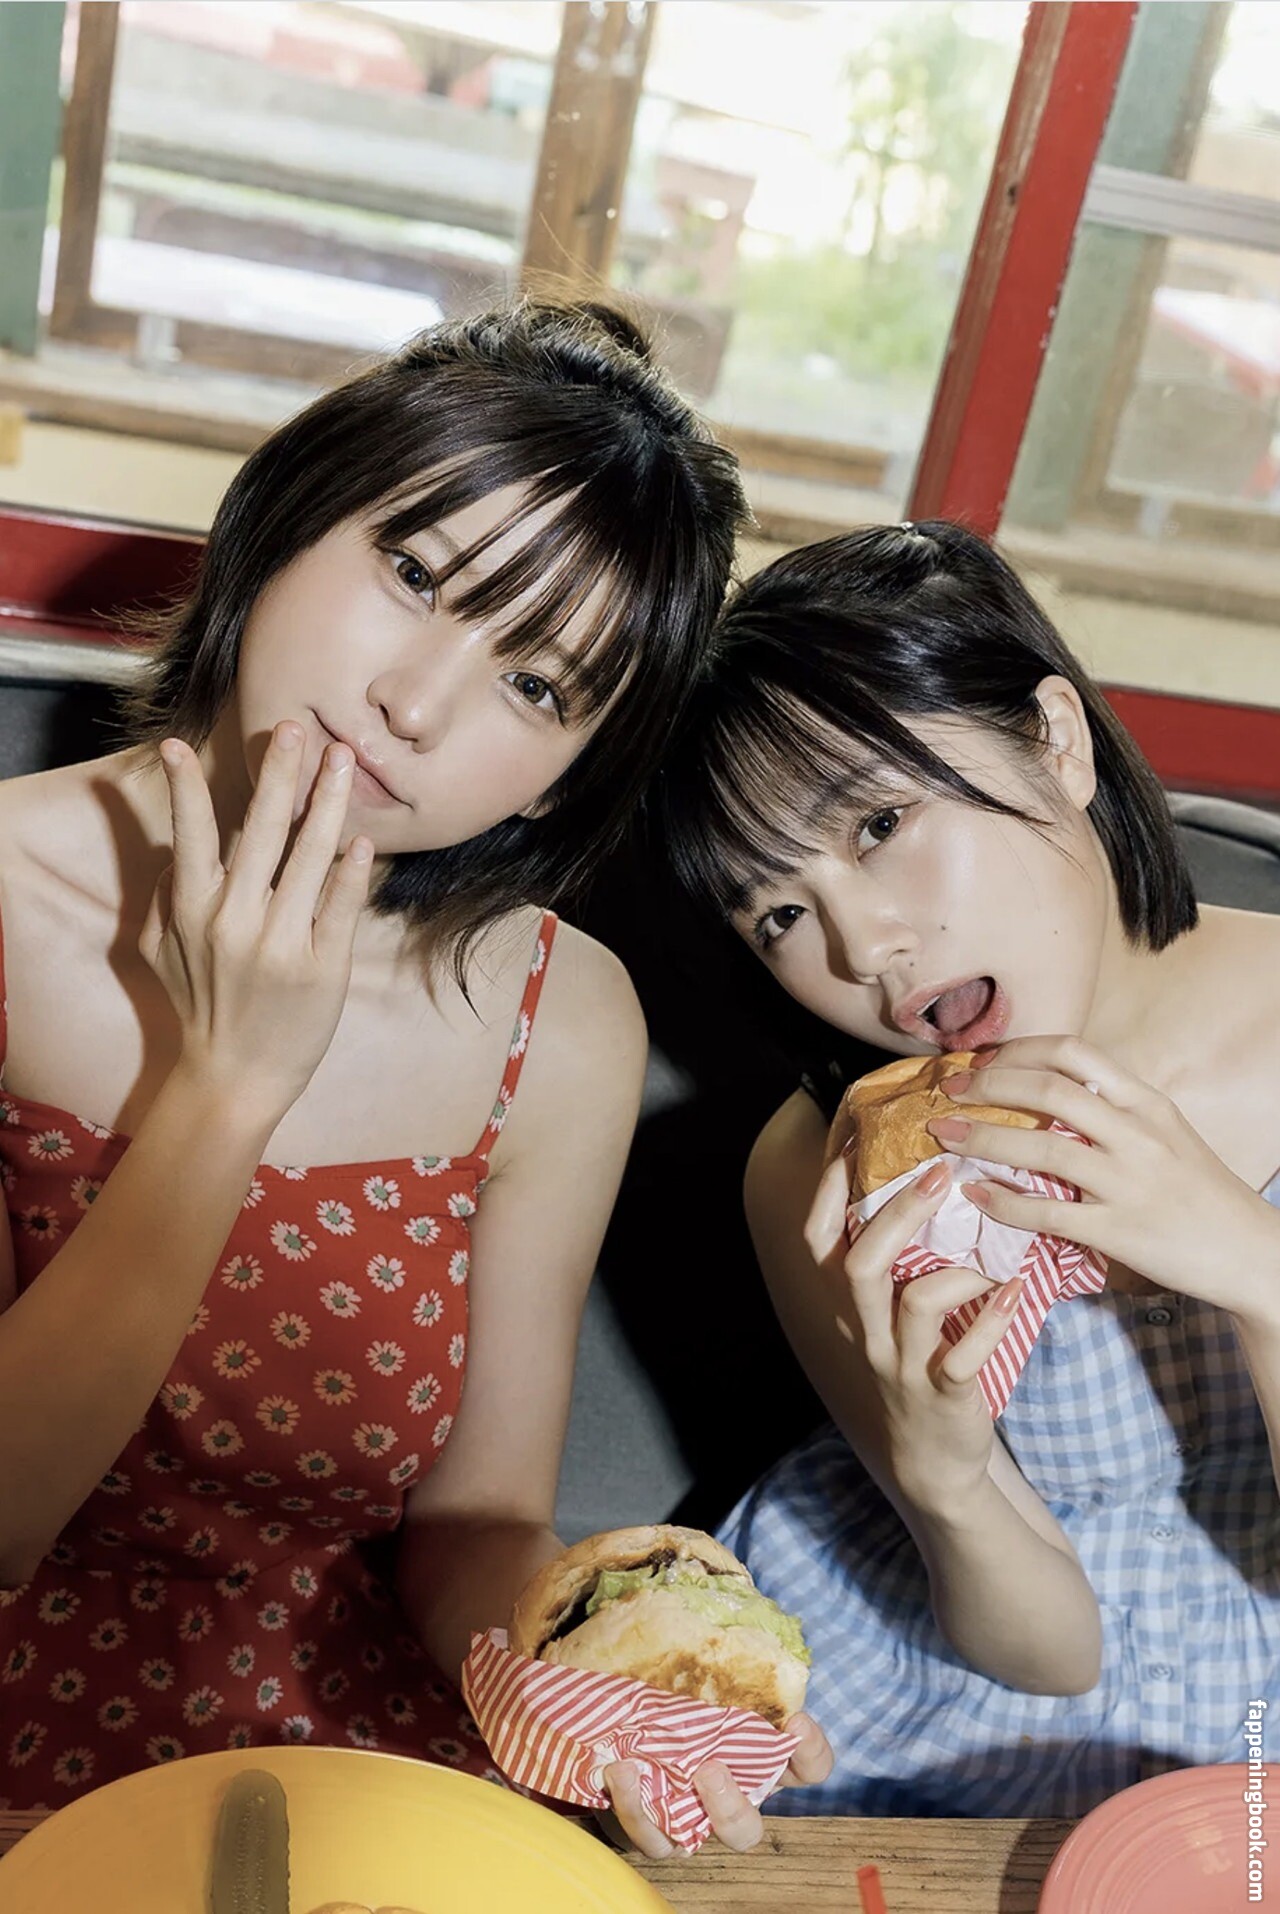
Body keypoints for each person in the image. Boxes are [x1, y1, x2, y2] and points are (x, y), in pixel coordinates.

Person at [0, 295, 828, 1842]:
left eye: (538, 685)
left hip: (351, 1749)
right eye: (418, 574)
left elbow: (477, 1521)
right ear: (284, 513)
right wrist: (229, 1088)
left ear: (574, 771)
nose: (417, 702)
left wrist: (597, 1646)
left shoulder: (558, 1016)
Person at [656, 518, 1280, 1817]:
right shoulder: (823, 1172)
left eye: (881, 821)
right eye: (779, 912)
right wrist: (945, 1476)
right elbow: (1046, 1654)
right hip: (949, 1699)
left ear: (1056, 741)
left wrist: (1253, 1266)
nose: (862, 948)